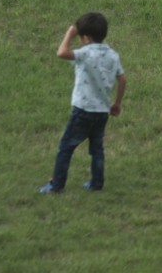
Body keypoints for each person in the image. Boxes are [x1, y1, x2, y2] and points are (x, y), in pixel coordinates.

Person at [39, 12, 127, 193]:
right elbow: (122, 79)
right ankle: (97, 184)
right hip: (102, 111)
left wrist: (69, 34)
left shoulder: (84, 53)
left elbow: (61, 52)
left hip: (82, 110)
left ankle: (57, 185)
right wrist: (117, 103)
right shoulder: (113, 55)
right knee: (97, 148)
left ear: (85, 37)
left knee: (66, 147)